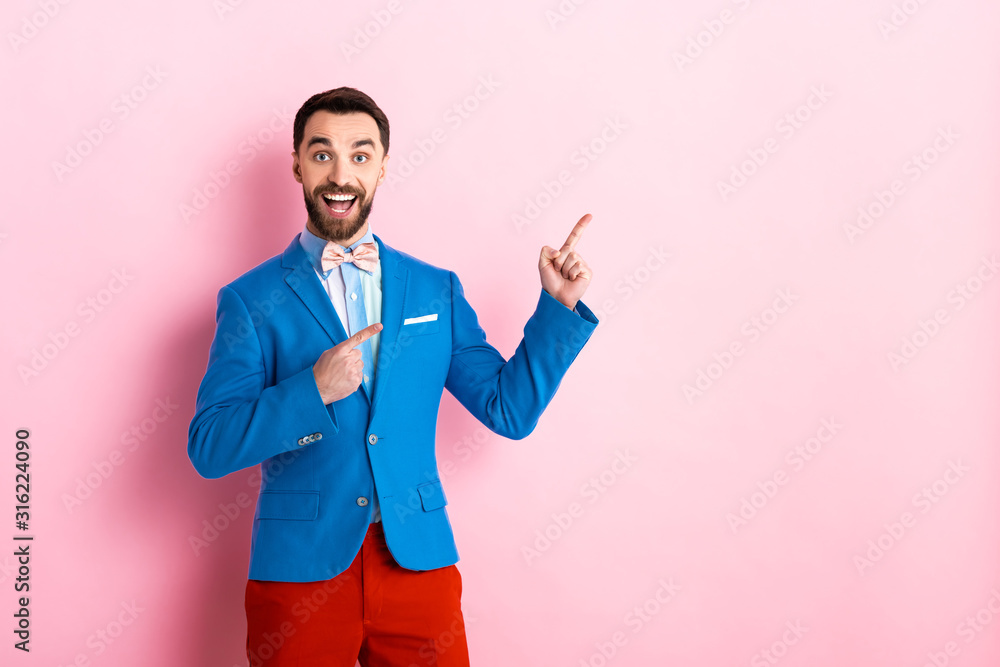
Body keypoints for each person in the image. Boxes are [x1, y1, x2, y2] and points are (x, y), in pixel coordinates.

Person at [187, 86, 598, 666]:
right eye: (322, 154)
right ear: (298, 165)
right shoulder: (250, 300)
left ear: (382, 167)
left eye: (360, 155)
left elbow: (509, 410)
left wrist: (557, 308)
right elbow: (210, 446)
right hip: (300, 567)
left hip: (417, 563)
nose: (340, 175)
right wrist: (312, 391)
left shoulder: (435, 289)